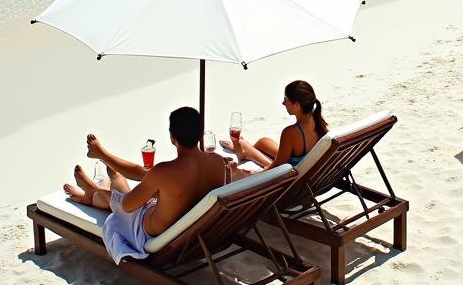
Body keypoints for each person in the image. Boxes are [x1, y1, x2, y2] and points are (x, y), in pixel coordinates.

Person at [62, 106, 225, 263]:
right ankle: (109, 176)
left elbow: (127, 205)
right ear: (200, 133)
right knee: (147, 183)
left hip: (152, 232)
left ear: (172, 137)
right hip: (194, 227)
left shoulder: (164, 172)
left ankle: (93, 191)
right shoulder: (218, 162)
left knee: (121, 200)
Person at [222, 79, 327, 171]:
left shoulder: (291, 132)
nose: (283, 103)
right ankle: (246, 150)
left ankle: (244, 150)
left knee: (245, 145)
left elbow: (277, 166)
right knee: (264, 142)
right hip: (303, 161)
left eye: (286, 99)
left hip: (292, 171)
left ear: (296, 105)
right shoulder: (319, 122)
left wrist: (260, 171)